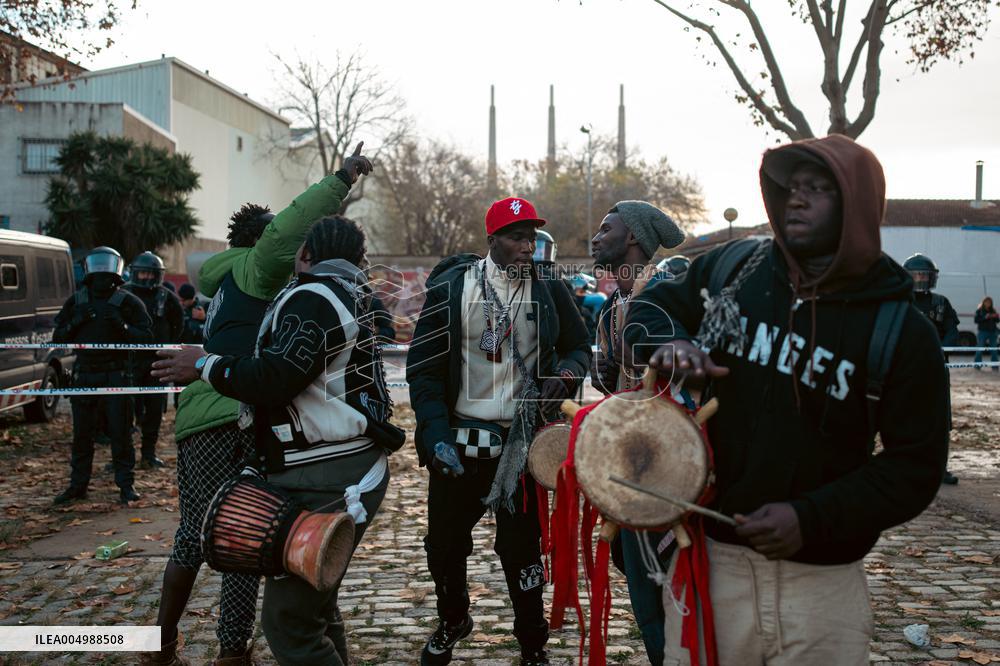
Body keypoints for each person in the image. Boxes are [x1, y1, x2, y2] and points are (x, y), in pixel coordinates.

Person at [625, 135, 949, 665]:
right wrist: (669, 343)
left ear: (856, 205)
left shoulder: (900, 329)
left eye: (818, 189)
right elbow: (654, 304)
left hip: (823, 587)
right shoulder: (736, 270)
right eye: (792, 187)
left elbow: (915, 465)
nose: (796, 199)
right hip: (715, 565)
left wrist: (811, 518)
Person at [140, 143, 373, 666]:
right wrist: (341, 179)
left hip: (214, 414)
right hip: (226, 414)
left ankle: (184, 646)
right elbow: (289, 226)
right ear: (260, 240)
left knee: (231, 530)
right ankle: (213, 650)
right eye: (275, 235)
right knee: (235, 531)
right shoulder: (256, 267)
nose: (292, 246)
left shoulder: (224, 283)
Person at [406, 196, 591, 666]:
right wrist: (434, 436)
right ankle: (453, 619)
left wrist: (567, 375)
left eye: (531, 237)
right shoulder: (452, 289)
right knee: (444, 545)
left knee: (522, 550)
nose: (526, 246)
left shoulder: (550, 286)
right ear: (492, 240)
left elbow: (577, 345)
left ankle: (532, 643)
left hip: (523, 445)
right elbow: (423, 371)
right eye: (515, 237)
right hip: (460, 441)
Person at [589, 200, 685, 666]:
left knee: (674, 587)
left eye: (606, 228)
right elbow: (611, 384)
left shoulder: (668, 296)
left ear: (632, 238)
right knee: (642, 585)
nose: (595, 237)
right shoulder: (611, 308)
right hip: (628, 467)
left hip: (673, 469)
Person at [53, 247, 152, 505]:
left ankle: (126, 486)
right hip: (85, 375)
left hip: (116, 375)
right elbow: (57, 337)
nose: (101, 273)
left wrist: (123, 326)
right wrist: (76, 322)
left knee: (121, 434)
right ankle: (78, 486)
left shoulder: (127, 301)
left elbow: (147, 339)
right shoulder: (77, 301)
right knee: (82, 435)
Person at [903, 253, 960, 485]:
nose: (920, 279)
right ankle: (903, 467)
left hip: (936, 368)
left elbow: (952, 331)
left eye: (924, 275)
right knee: (904, 417)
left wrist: (939, 351)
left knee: (939, 419)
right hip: (905, 369)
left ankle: (939, 468)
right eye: (916, 274)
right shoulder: (899, 301)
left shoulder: (941, 303)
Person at [123, 251, 183, 468]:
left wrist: (167, 346)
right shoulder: (124, 294)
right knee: (126, 409)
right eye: (143, 273)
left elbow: (179, 324)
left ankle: (148, 453)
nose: (147, 278)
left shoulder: (167, 297)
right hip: (130, 361)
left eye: (151, 274)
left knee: (155, 408)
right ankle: (122, 457)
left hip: (158, 361)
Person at [974, 296, 999, 370]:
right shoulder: (979, 311)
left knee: (994, 350)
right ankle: (977, 365)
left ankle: (995, 366)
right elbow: (976, 320)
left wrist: (996, 316)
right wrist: (985, 317)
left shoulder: (993, 310)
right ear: (983, 302)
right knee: (980, 349)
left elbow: (997, 321)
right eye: (986, 302)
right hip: (982, 332)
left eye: (989, 302)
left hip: (993, 332)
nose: (988, 303)